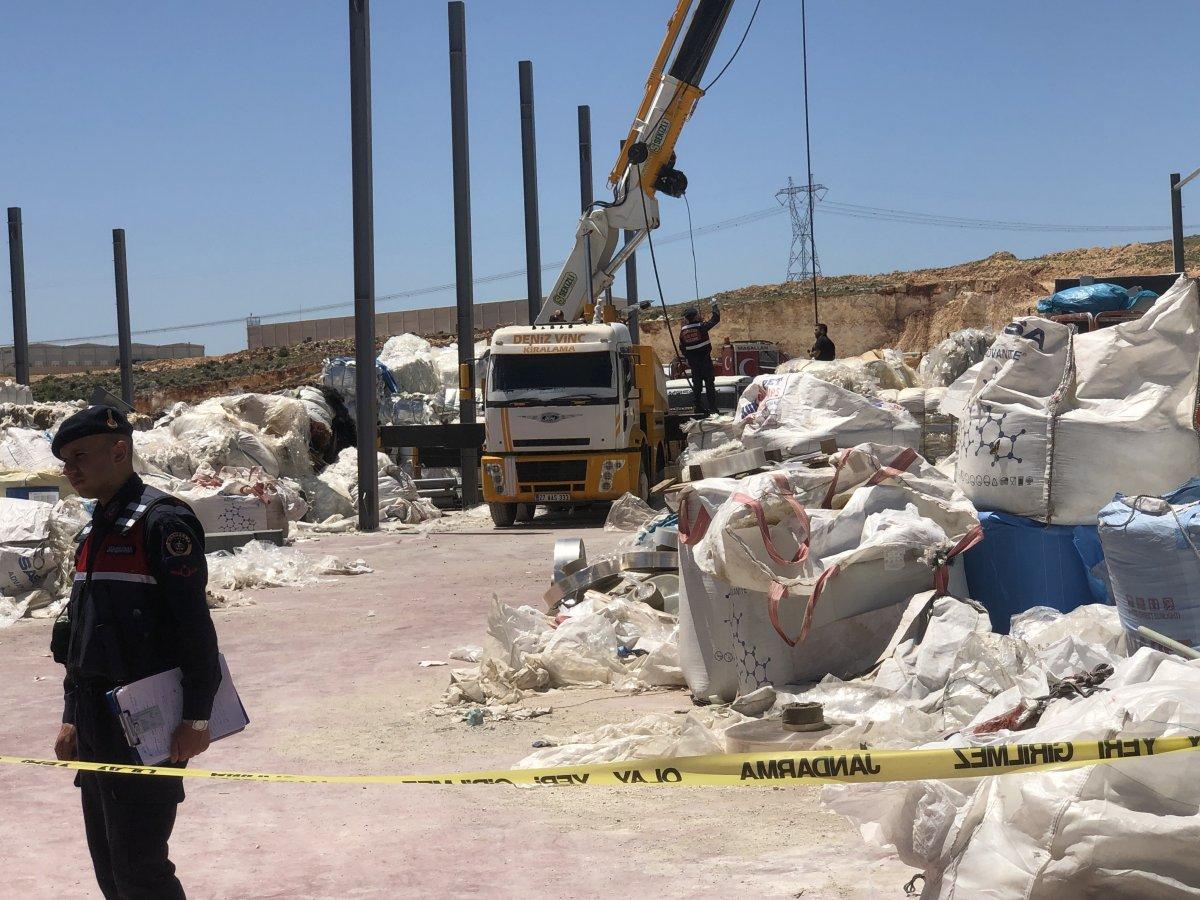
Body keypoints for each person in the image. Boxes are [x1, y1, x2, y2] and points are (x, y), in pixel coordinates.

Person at [50, 405, 219, 900]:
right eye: (64, 461)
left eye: (80, 456)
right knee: (109, 865)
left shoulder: (162, 523)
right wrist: (71, 717)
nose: (70, 470)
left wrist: (197, 717)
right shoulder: (94, 531)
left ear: (120, 450)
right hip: (95, 718)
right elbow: (78, 637)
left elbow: (195, 628)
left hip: (146, 721)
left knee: (140, 869)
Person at [679, 302, 721, 414]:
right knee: (709, 385)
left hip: (694, 364)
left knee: (697, 387)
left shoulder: (683, 331)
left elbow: (682, 347)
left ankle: (697, 406)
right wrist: (714, 306)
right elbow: (715, 319)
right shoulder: (701, 327)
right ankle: (712, 407)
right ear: (695, 316)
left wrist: (689, 358)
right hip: (705, 361)